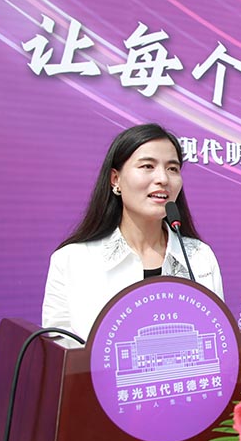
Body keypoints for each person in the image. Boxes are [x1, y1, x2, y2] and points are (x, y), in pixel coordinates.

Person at [42, 123, 223, 340]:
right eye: (147, 166)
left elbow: (218, 339)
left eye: (172, 169)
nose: (163, 179)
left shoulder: (199, 257)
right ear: (115, 179)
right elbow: (60, 352)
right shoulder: (72, 261)